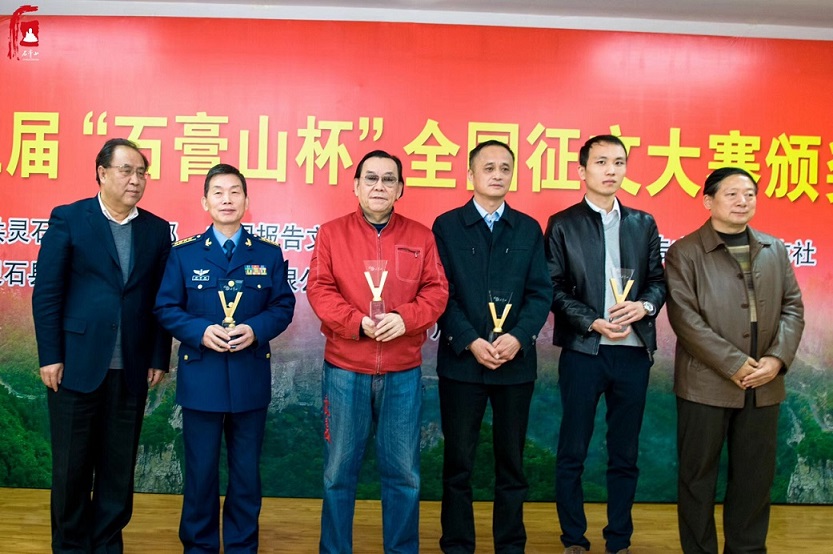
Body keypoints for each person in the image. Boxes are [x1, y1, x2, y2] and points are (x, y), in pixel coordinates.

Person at [32, 137, 172, 553]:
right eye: (126, 170)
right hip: (75, 365)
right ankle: (70, 546)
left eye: (142, 172)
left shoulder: (156, 230)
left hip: (131, 370)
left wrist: (157, 356)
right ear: (102, 173)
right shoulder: (70, 219)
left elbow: (160, 300)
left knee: (117, 470)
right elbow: (47, 293)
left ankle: (108, 544)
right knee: (72, 468)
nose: (135, 180)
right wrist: (50, 356)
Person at [307, 149, 448, 554]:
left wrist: (406, 318)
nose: (379, 186)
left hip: (403, 372)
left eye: (389, 179)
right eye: (371, 178)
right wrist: (355, 322)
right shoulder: (332, 233)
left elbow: (437, 291)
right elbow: (319, 289)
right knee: (337, 473)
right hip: (345, 368)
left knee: (405, 475)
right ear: (356, 186)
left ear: (401, 189)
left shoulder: (421, 237)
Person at [154, 163, 296, 553]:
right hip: (202, 378)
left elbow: (283, 306)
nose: (227, 199)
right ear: (205, 202)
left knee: (246, 475)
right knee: (200, 474)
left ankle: (241, 546)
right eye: (218, 192)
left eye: (235, 192)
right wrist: (199, 331)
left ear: (246, 201)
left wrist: (256, 329)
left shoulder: (267, 254)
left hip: (250, 377)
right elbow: (166, 307)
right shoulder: (183, 255)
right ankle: (198, 546)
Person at [665, 167, 804, 554]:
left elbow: (793, 308)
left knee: (755, 478)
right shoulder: (685, 252)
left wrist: (776, 360)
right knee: (697, 477)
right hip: (704, 384)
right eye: (732, 194)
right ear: (708, 201)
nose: (743, 201)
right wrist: (734, 364)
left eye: (749, 194)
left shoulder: (774, 248)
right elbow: (685, 319)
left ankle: (747, 549)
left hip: (765, 383)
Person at [544, 135, 666, 554]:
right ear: (582, 171)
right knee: (573, 449)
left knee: (625, 453)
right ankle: (573, 539)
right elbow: (552, 287)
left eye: (618, 162)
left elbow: (658, 281)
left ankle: (619, 540)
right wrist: (590, 321)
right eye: (601, 162)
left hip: (633, 351)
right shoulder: (563, 224)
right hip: (584, 351)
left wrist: (644, 307)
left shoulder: (643, 223)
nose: (611, 170)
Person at [432, 140, 552, 554]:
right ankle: (457, 545)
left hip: (514, 364)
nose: (497, 175)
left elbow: (541, 293)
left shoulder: (528, 229)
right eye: (488, 168)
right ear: (470, 175)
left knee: (512, 464)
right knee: (458, 464)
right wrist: (470, 340)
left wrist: (518, 337)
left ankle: (510, 545)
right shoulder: (447, 226)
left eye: (505, 168)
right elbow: (440, 293)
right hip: (462, 365)